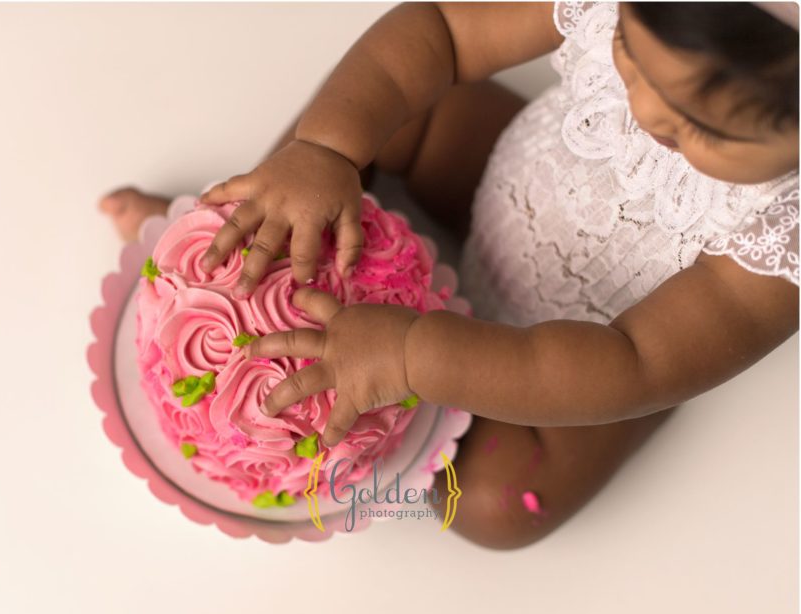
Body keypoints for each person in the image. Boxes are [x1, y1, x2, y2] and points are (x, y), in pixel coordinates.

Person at [100, 2, 799, 550]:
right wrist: (325, 148)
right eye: (632, 60)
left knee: (502, 508)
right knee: (386, 117)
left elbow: (636, 363)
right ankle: (237, 243)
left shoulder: (788, 229)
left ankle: (398, 437)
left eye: (700, 127)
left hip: (597, 341)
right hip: (509, 180)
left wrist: (416, 357)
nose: (645, 112)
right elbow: (440, 29)